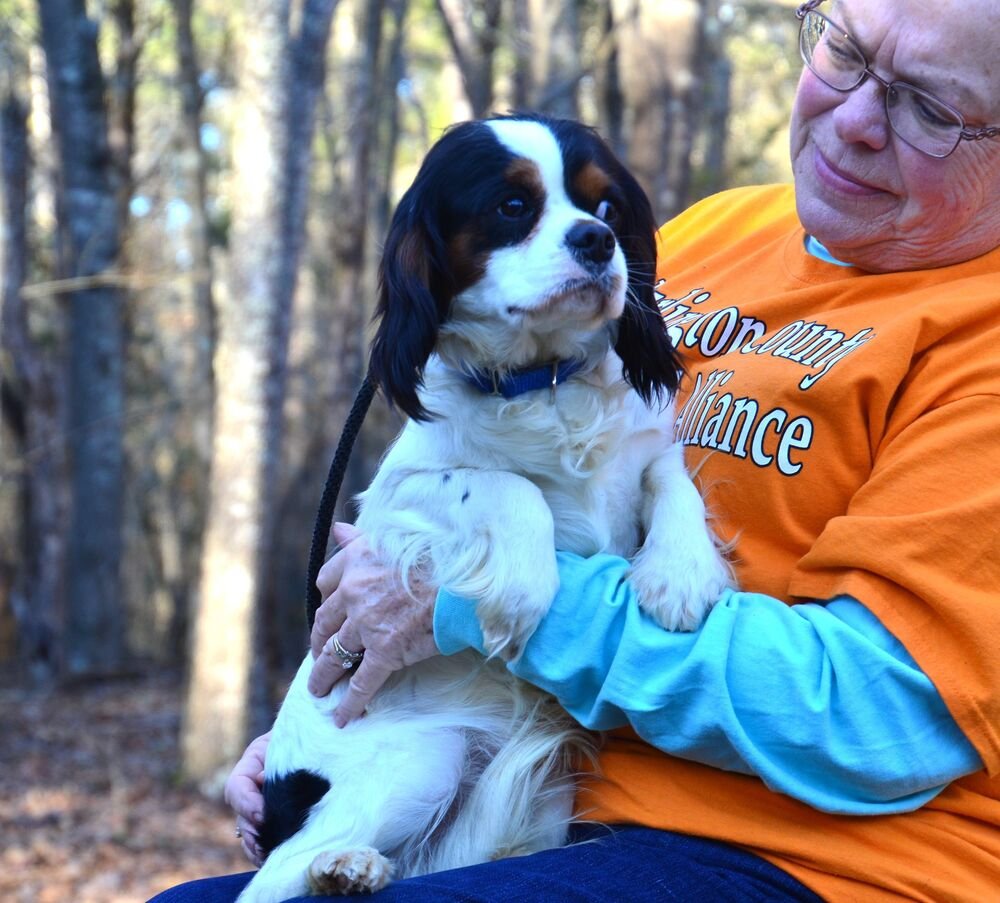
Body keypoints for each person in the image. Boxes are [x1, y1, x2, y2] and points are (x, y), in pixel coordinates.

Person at [153, 0, 1000, 899]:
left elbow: (872, 718)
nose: (857, 118)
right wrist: (329, 737)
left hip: (797, 857)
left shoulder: (978, 339)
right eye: (846, 51)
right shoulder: (717, 231)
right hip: (527, 789)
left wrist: (467, 599)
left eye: (928, 107)